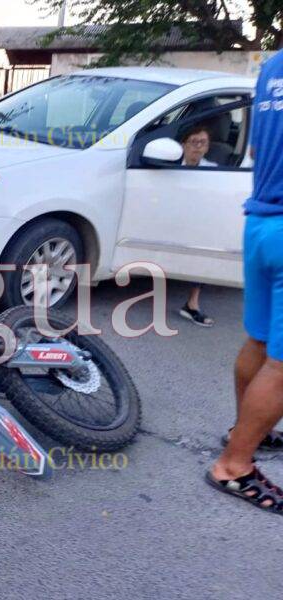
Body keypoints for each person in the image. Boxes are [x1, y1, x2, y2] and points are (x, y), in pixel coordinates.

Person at [208, 50, 283, 514]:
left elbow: (256, 148)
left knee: (258, 340)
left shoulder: (274, 65)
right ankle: (235, 465)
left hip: (260, 222)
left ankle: (247, 431)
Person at [178, 125, 216, 327]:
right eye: (194, 142)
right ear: (183, 144)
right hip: (169, 218)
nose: (198, 147)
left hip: (195, 223)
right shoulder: (170, 164)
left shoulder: (214, 171)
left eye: (203, 143)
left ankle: (192, 304)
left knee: (207, 241)